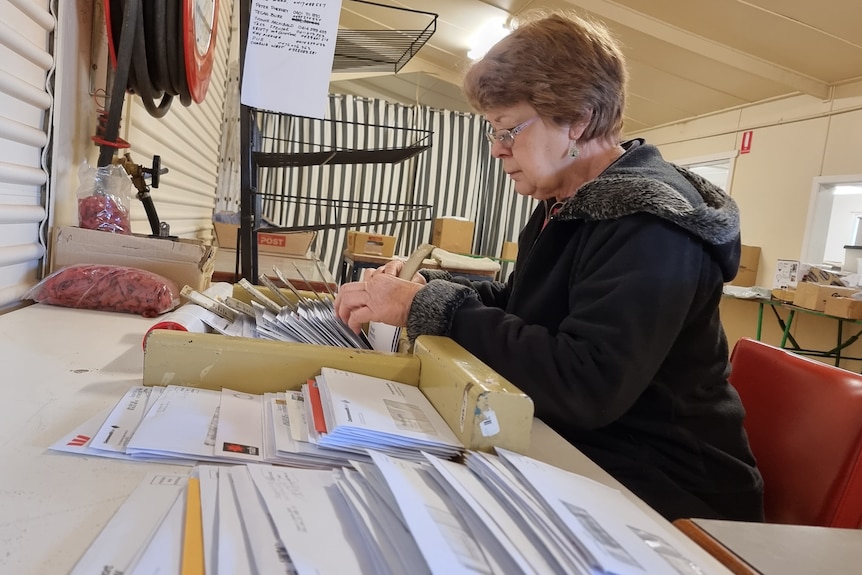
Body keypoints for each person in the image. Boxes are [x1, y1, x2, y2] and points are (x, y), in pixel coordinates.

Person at [334, 11, 764, 522]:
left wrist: (430, 307)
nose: (497, 149)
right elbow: (526, 307)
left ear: (577, 120)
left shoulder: (650, 221)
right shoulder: (567, 202)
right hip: (592, 452)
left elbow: (586, 384)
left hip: (669, 486)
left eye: (508, 129)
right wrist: (428, 288)